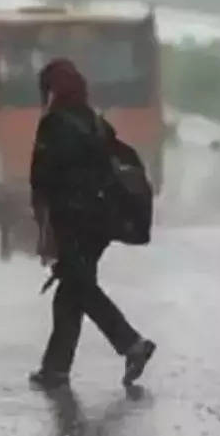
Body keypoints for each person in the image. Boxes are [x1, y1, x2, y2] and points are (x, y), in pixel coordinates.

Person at [28, 58, 156, 389]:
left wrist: (44, 225)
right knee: (71, 289)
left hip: (72, 220)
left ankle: (131, 343)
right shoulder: (95, 122)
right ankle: (55, 369)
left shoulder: (54, 124)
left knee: (80, 287)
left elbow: (41, 178)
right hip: (102, 221)